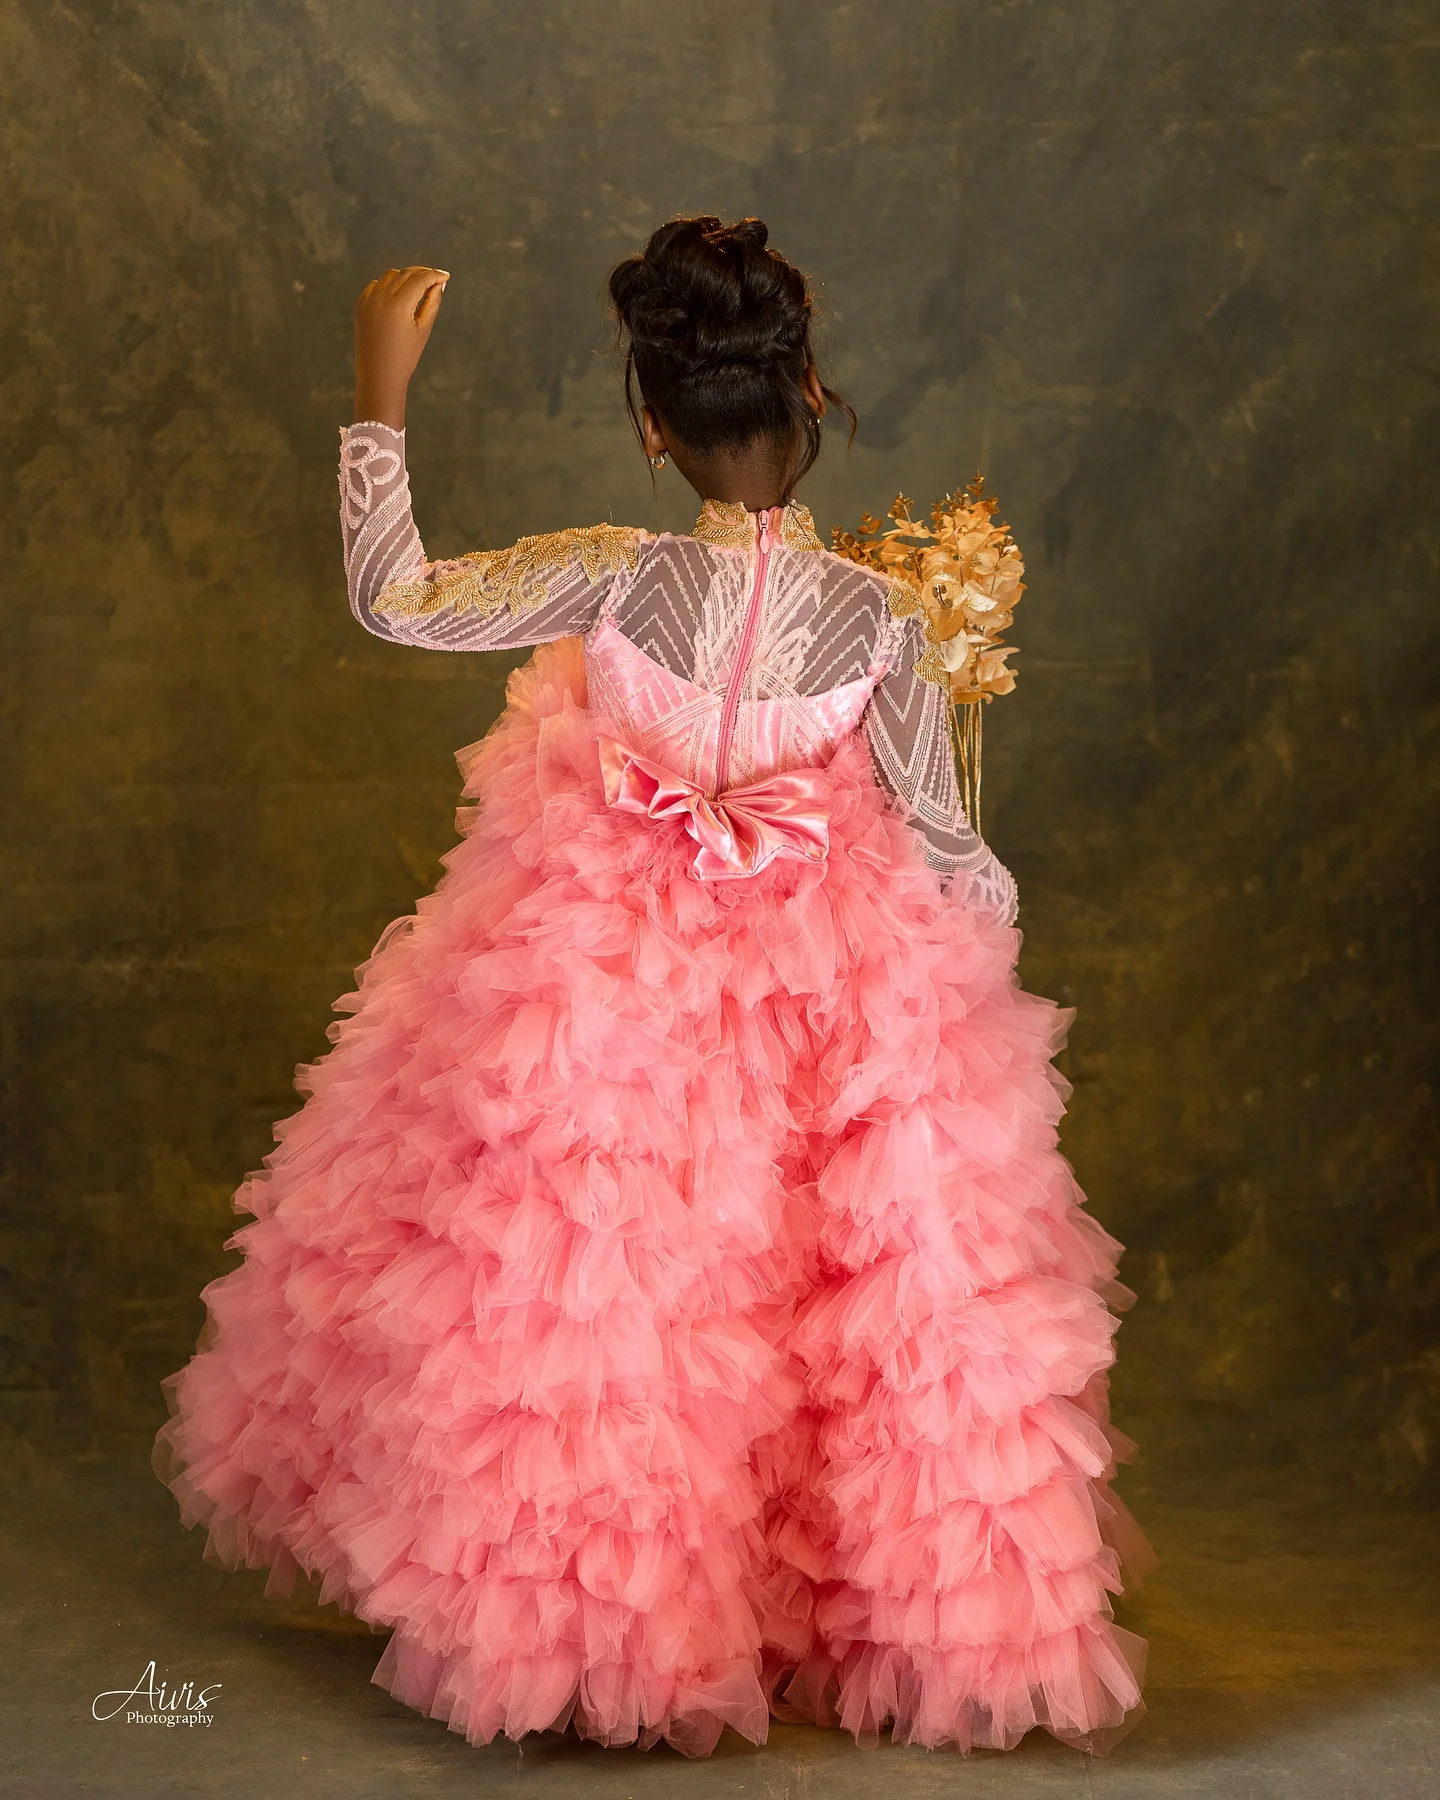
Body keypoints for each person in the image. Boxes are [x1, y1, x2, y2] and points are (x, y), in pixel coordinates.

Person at [154, 216, 1151, 1759]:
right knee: (823, 1308)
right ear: (812, 395)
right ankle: (802, 1601)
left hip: (603, 998)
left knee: (600, 1303)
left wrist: (378, 401)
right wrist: (969, 973)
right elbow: (956, 854)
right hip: (826, 1013)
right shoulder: (879, 621)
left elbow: (397, 597)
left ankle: (590, 1627)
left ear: (648, 425)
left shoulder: (613, 584)